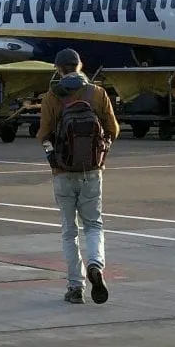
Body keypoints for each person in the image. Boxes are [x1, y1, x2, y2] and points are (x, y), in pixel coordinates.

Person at [36, 48, 120, 305]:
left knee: (69, 231)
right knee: (94, 224)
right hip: (92, 171)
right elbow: (113, 130)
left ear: (58, 69)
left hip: (62, 171)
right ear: (80, 66)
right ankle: (96, 264)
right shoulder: (97, 93)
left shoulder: (53, 95)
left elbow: (44, 134)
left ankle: (75, 287)